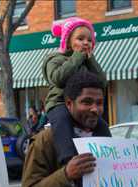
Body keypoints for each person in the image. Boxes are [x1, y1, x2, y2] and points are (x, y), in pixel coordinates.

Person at [21, 71, 111, 187]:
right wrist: (66, 175)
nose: (95, 109)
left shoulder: (106, 139)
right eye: (87, 102)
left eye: (100, 103)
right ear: (69, 104)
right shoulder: (45, 141)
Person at [42, 17, 107, 164]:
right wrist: (77, 57)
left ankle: (108, 156)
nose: (85, 43)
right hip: (59, 103)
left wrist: (90, 61)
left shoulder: (88, 62)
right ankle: (68, 159)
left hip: (81, 105)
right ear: (67, 41)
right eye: (80, 39)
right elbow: (58, 78)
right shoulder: (54, 59)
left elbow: (102, 82)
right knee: (62, 121)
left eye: (89, 40)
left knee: (101, 125)